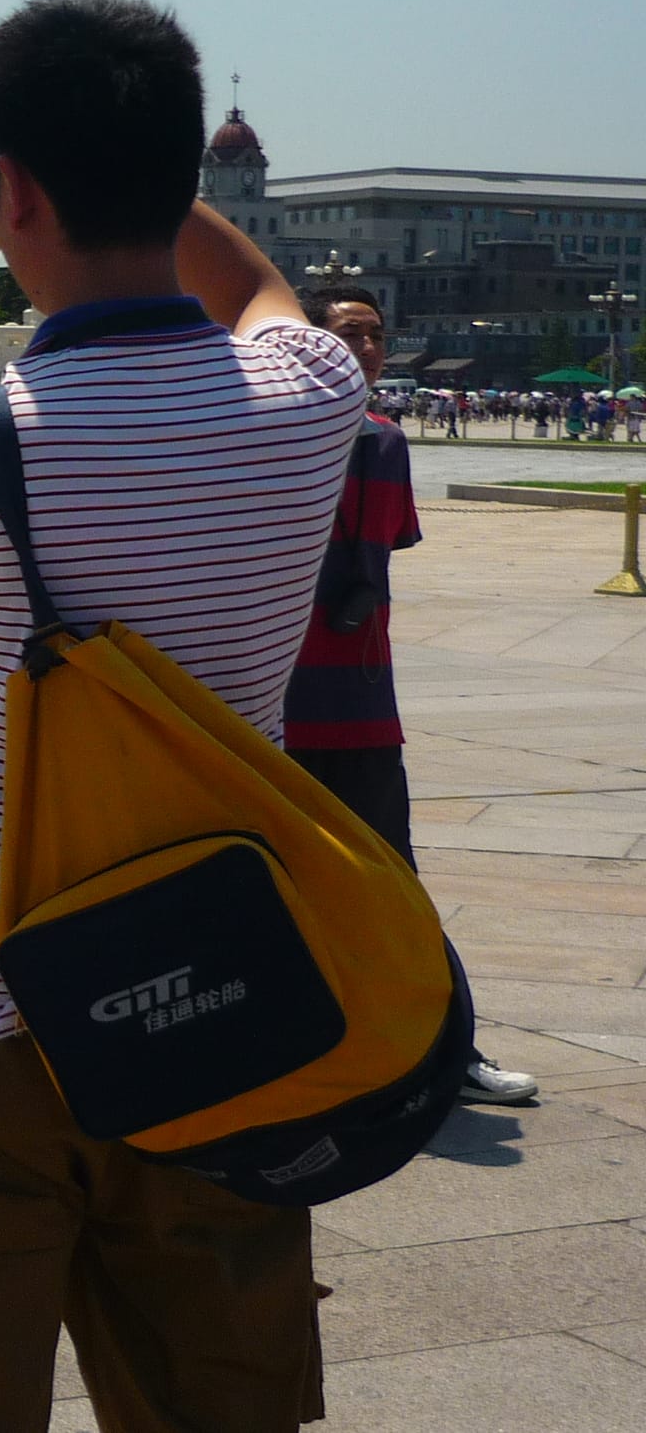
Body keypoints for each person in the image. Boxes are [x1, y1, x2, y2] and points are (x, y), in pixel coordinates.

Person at [0, 0, 363, 1432]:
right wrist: (88, 154)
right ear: (184, 169)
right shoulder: (312, 392)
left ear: (6, 196)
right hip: (226, 981)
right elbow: (257, 290)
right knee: (215, 1394)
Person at [286, 287, 539, 1109]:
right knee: (299, 886)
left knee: (382, 881)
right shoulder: (295, 435)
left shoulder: (378, 443)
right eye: (347, 333)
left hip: (343, 697)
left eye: (374, 334)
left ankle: (437, 1048)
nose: (365, 347)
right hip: (287, 699)